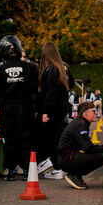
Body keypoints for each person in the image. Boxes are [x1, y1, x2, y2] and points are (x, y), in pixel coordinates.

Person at [0, 35, 38, 181]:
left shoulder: (1, 68)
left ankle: (11, 170)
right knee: (26, 138)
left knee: (10, 138)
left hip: (7, 108)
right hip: (25, 107)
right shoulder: (27, 67)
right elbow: (34, 89)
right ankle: (26, 170)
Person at [38, 41, 75, 180]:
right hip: (63, 108)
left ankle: (56, 168)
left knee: (51, 140)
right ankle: (59, 168)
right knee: (60, 138)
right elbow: (70, 84)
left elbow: (50, 93)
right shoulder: (63, 67)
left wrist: (45, 111)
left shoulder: (51, 69)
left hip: (53, 110)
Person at [58, 101, 103, 189]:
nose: (96, 113)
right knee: (102, 156)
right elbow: (88, 148)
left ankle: (75, 174)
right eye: (93, 111)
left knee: (101, 154)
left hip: (66, 157)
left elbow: (86, 146)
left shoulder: (81, 123)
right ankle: (73, 174)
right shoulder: (80, 124)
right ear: (85, 113)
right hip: (66, 159)